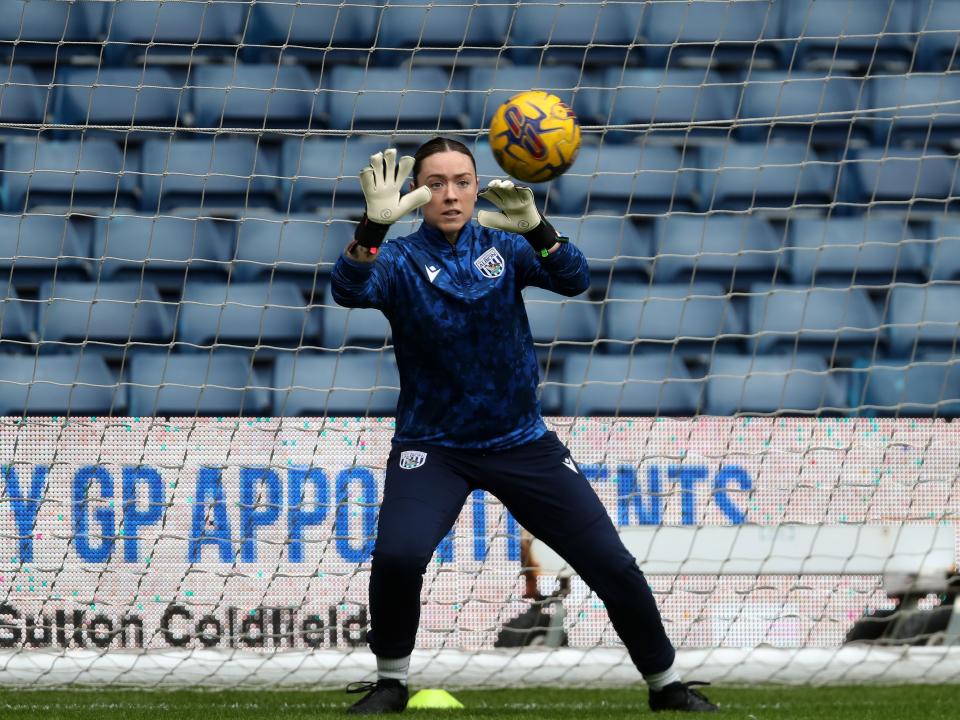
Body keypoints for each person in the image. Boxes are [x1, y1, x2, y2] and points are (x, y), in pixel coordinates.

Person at [331, 137, 717, 715]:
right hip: (433, 448)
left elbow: (575, 279)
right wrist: (372, 228)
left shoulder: (506, 246)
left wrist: (538, 229)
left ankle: (667, 686)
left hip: (521, 443)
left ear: (476, 187)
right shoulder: (399, 260)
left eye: (462, 181)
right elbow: (348, 290)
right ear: (414, 193)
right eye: (435, 183)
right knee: (398, 558)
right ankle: (390, 683)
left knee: (611, 563)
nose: (450, 194)